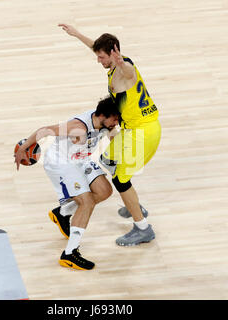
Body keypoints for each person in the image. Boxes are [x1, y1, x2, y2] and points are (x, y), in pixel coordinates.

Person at [58, 23, 161, 246]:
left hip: (143, 132)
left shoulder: (125, 70)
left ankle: (143, 228)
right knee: (107, 159)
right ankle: (134, 203)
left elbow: (129, 72)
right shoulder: (113, 66)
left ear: (114, 54)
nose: (98, 60)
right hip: (132, 129)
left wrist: (122, 63)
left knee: (120, 180)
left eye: (102, 57)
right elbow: (97, 48)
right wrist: (77, 35)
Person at [15, 97, 120, 270]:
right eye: (114, 119)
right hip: (60, 163)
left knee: (104, 191)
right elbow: (45, 131)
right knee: (86, 203)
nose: (116, 123)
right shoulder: (77, 127)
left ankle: (62, 212)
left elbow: (115, 138)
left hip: (80, 158)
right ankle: (70, 254)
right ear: (102, 115)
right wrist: (23, 148)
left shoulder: (106, 125)